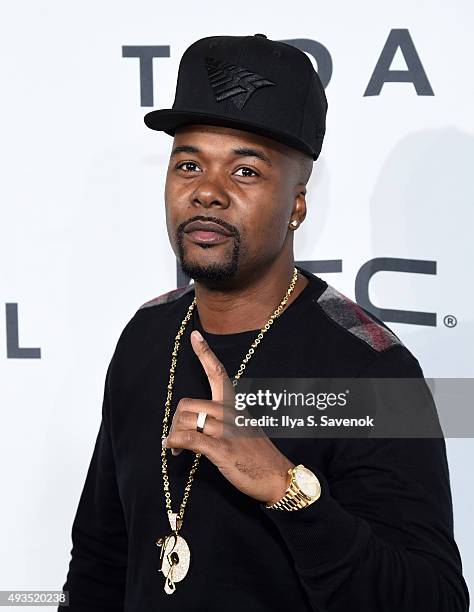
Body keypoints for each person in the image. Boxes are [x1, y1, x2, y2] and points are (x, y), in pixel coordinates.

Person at [59, 34, 469, 611]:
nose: (208, 192)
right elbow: (101, 558)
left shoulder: (374, 369)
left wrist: (288, 489)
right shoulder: (146, 337)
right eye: (189, 164)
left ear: (297, 203)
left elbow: (436, 601)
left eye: (245, 171)